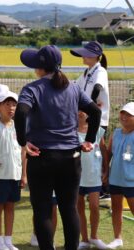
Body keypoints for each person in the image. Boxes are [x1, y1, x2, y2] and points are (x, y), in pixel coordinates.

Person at [14, 45, 101, 250]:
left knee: (43, 211)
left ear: (40, 67)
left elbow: (20, 113)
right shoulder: (73, 87)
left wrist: (23, 142)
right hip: (71, 158)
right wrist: (89, 139)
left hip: (41, 157)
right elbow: (95, 112)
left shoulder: (32, 89)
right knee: (69, 210)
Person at [0, 90, 26, 250]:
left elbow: (23, 151)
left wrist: (23, 174)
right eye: (7, 104)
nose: (11, 108)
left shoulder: (19, 126)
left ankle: (8, 240)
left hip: (14, 173)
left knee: (10, 206)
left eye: (14, 105)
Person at [70, 41, 110, 200]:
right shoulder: (87, 72)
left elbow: (98, 88)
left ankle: (103, 187)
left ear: (95, 56)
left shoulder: (100, 71)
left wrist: (89, 106)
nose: (82, 57)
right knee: (87, 152)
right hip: (86, 117)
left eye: (85, 54)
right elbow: (75, 86)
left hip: (98, 118)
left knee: (97, 152)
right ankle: (86, 184)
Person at [77, 111, 108, 249]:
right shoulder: (69, 131)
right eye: (77, 109)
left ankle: (94, 236)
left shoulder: (97, 130)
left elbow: (103, 149)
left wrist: (106, 169)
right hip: (76, 177)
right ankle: (84, 240)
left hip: (94, 175)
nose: (80, 113)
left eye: (83, 109)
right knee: (79, 208)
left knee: (94, 206)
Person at [106, 102, 134, 249]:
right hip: (115, 179)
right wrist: (105, 172)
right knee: (116, 209)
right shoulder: (115, 133)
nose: (124, 117)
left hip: (131, 182)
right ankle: (117, 238)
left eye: (128, 114)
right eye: (123, 113)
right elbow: (109, 153)